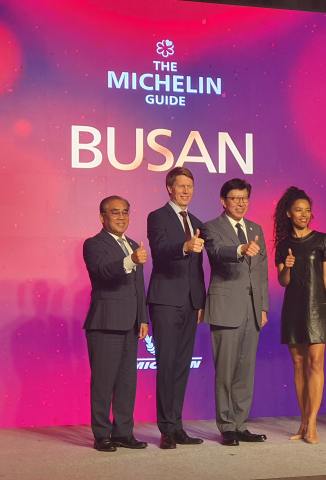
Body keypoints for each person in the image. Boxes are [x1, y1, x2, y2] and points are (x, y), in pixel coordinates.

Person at [201, 178, 269, 446]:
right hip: (225, 308)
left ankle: (241, 425)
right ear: (223, 201)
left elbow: (261, 271)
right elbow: (217, 252)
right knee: (225, 372)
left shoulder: (255, 228)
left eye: (244, 198)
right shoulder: (210, 227)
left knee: (245, 372)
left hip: (252, 310)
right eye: (235, 198)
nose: (241, 203)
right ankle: (227, 426)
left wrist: (262, 306)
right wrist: (241, 249)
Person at [273, 187, 326, 444]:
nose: (304, 214)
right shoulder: (283, 246)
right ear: (289, 214)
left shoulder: (322, 239)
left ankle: (312, 424)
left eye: (308, 210)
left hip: (318, 308)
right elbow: (283, 281)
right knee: (299, 364)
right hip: (293, 307)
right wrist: (287, 268)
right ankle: (303, 422)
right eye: (299, 210)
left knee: (316, 363)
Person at [82, 195, 149, 452]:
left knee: (127, 382)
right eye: (115, 212)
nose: (121, 217)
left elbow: (138, 287)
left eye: (125, 212)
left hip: (131, 324)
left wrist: (143, 318)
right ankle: (102, 434)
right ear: (102, 217)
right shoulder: (93, 244)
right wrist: (131, 260)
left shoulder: (132, 244)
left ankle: (123, 432)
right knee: (103, 382)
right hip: (105, 323)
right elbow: (102, 272)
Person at [146, 167, 206, 449]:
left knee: (182, 366)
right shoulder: (157, 217)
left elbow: (199, 268)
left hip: (191, 303)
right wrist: (184, 246)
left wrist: (200, 301)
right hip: (166, 300)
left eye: (189, 186)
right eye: (181, 186)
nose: (186, 191)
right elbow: (159, 250)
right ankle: (166, 430)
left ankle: (177, 426)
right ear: (169, 188)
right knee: (167, 364)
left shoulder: (197, 222)